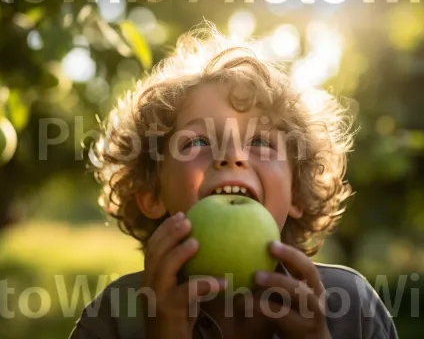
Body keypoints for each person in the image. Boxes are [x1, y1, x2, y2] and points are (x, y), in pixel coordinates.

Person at [69, 22, 399, 339]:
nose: (232, 155)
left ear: (296, 193)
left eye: (260, 142)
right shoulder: (113, 318)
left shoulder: (352, 309)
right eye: (197, 142)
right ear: (153, 195)